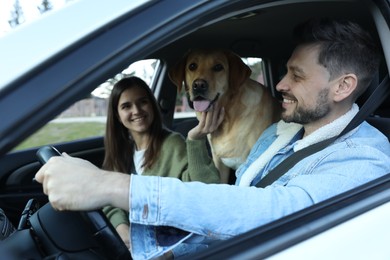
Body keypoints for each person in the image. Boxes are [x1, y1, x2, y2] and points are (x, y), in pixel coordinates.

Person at [35, 18, 390, 259]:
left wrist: (113, 187)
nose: (279, 85)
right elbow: (234, 198)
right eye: (284, 71)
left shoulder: (364, 158)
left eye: (296, 75)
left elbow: (272, 213)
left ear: (343, 86)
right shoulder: (280, 132)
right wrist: (174, 250)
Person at [100, 76, 221, 247]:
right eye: (126, 106)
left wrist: (194, 140)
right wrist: (123, 230)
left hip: (171, 243)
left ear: (152, 105)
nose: (136, 110)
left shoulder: (173, 144)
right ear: (118, 116)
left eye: (142, 102)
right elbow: (108, 197)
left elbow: (205, 190)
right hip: (132, 242)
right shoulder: (120, 152)